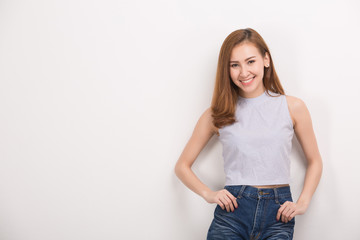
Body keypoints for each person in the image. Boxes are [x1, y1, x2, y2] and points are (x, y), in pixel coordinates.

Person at [174, 28, 323, 240]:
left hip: (278, 215)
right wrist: (209, 194)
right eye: (235, 65)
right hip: (232, 215)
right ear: (227, 69)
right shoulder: (216, 114)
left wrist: (303, 203)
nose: (243, 72)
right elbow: (182, 166)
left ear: (266, 60)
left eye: (250, 61)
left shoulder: (293, 107)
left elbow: (315, 160)